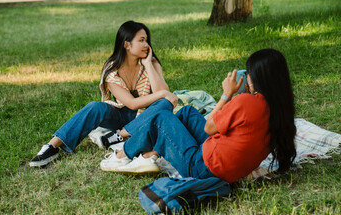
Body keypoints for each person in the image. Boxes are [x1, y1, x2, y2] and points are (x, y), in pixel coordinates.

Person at [109, 49, 297, 182]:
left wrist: (226, 95)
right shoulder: (278, 108)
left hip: (202, 167)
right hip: (227, 166)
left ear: (259, 77)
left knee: (161, 119)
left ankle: (122, 154)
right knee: (187, 113)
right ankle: (151, 153)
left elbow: (209, 127)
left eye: (249, 72)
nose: (246, 76)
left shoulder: (247, 101)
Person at [29, 21, 178, 167]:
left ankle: (119, 136)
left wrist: (148, 66)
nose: (147, 45)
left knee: (164, 104)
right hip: (122, 114)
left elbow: (162, 94)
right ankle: (51, 147)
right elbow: (132, 103)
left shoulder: (152, 62)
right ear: (127, 44)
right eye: (141, 40)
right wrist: (164, 93)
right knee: (95, 107)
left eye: (147, 40)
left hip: (148, 115)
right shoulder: (112, 69)